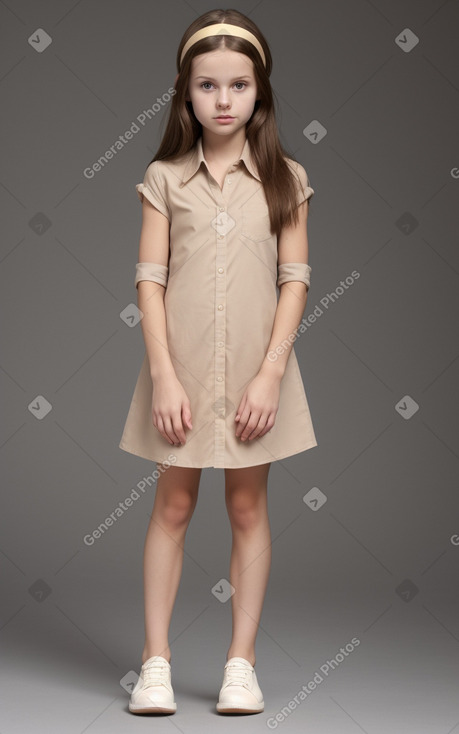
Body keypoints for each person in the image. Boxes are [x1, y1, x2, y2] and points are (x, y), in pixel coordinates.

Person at [119, 8, 318, 716]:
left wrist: (270, 372)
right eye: (208, 85)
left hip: (254, 374)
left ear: (259, 92)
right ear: (185, 94)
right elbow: (149, 278)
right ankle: (155, 664)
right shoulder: (164, 178)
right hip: (179, 370)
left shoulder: (284, 178)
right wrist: (165, 375)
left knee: (245, 505)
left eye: (238, 85)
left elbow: (294, 280)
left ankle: (241, 662)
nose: (224, 100)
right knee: (172, 503)